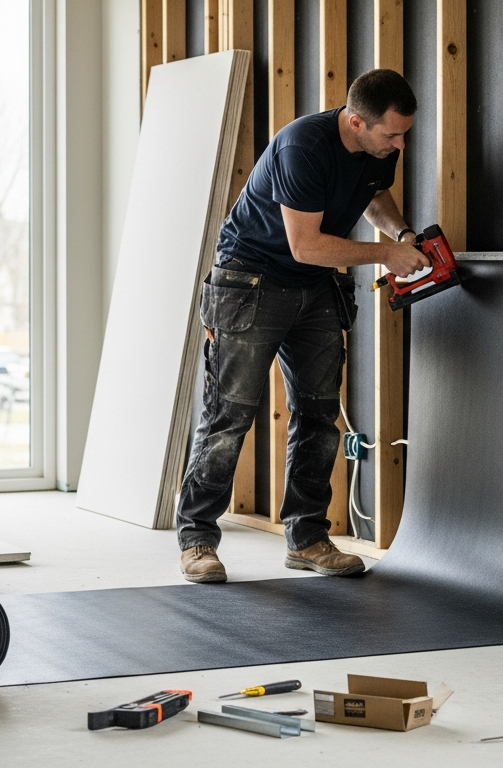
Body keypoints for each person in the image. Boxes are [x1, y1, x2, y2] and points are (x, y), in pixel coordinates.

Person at [176, 68, 428, 583]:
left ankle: (307, 538)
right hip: (251, 280)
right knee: (230, 415)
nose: (401, 143)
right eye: (392, 134)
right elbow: (305, 245)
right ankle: (197, 539)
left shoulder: (381, 149)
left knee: (317, 414)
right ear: (356, 122)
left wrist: (401, 231)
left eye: (404, 133)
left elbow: (374, 194)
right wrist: (387, 254)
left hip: (311, 287)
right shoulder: (303, 148)